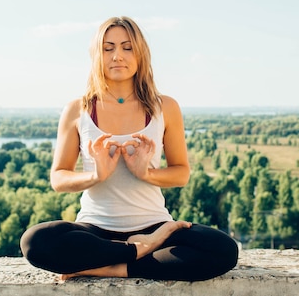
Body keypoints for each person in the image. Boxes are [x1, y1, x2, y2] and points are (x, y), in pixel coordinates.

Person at [20, 16, 238, 281]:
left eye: (127, 47)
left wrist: (145, 173)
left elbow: (181, 173)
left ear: (140, 54)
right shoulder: (78, 110)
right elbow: (58, 178)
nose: (117, 56)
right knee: (35, 241)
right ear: (97, 55)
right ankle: (134, 251)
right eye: (108, 48)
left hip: (154, 226)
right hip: (95, 229)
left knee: (223, 250)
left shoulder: (165, 107)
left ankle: (115, 265)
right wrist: (96, 175)